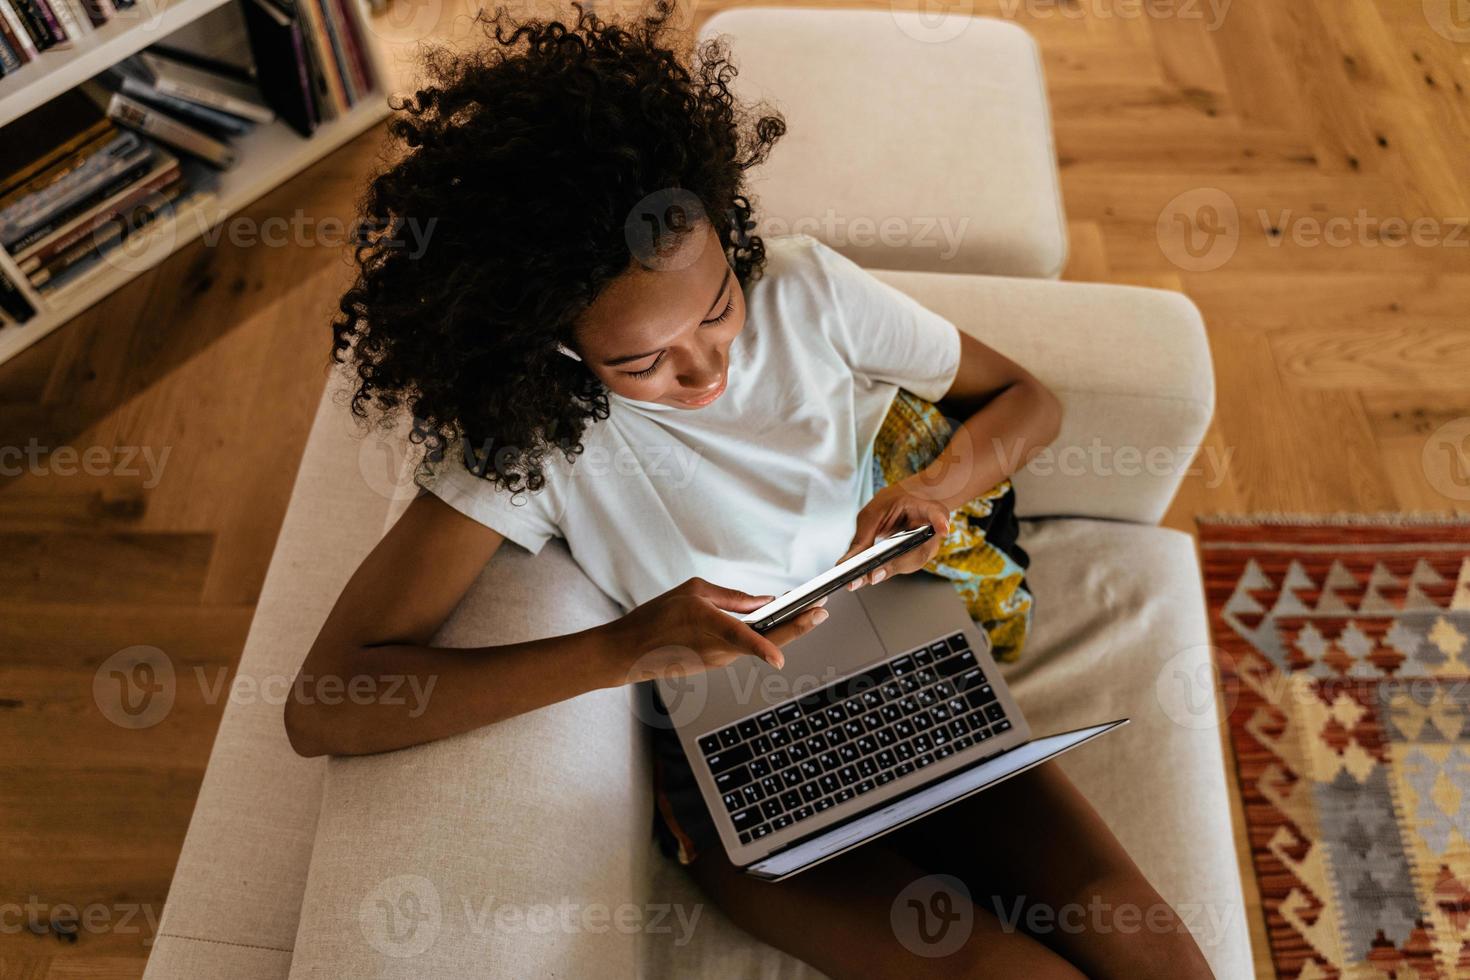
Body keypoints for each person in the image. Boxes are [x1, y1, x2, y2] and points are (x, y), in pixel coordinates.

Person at [285, 3, 1213, 976]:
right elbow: (325, 701)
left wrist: (938, 486)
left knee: (1143, 937)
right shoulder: (529, 442)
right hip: (728, 760)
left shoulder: (808, 292)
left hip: (908, 675)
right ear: (553, 344)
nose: (704, 368)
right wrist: (619, 649)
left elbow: (1029, 400)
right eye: (643, 358)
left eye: (718, 306)